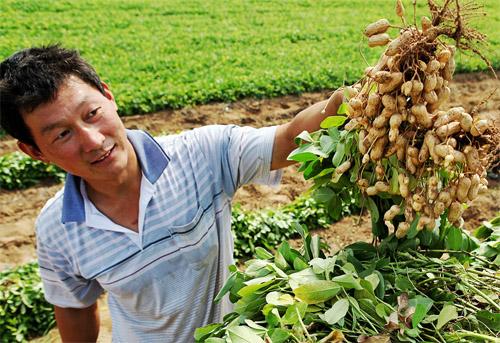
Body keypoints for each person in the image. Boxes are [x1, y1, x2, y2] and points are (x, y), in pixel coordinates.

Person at [0, 45, 343, 342]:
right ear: (35, 151)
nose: (93, 140)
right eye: (62, 135)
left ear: (108, 95)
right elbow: (74, 308)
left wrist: (357, 98)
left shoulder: (202, 155)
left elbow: (288, 139)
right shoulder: (57, 227)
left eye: (92, 114)